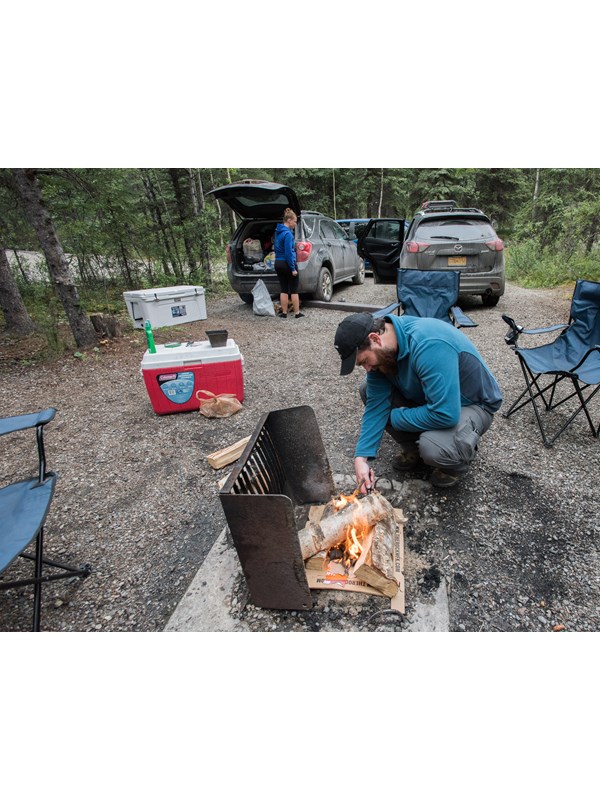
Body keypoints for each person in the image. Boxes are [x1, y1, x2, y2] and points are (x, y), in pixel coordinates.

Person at [334, 312, 502, 491]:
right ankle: (412, 447)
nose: (367, 368)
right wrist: (361, 458)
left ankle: (455, 462)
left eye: (365, 361)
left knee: (434, 447)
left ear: (375, 338)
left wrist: (395, 417)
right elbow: (376, 405)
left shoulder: (428, 344)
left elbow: (445, 414)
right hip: (432, 398)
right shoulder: (384, 353)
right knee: (367, 389)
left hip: (472, 404)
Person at [273, 208, 304, 319]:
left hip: (278, 263)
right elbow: (288, 253)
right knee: (294, 289)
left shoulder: (278, 232)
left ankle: (284, 313)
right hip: (287, 263)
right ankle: (297, 313)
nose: (295, 224)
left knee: (284, 288)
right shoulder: (288, 234)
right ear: (289, 220)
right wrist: (292, 268)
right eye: (295, 221)